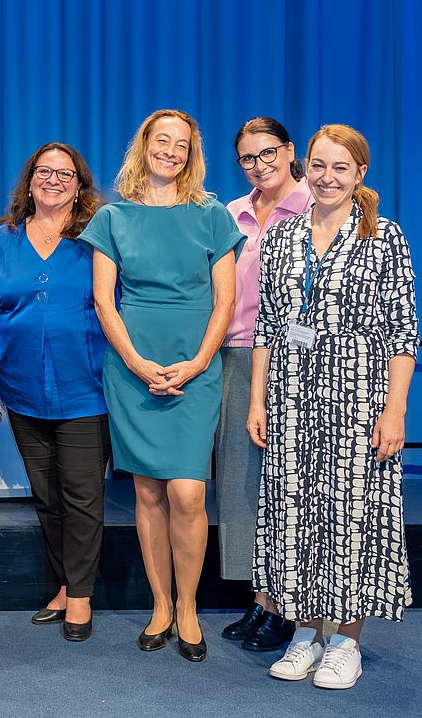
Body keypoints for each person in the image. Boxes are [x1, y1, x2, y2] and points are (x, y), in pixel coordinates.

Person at [249, 125, 416, 689]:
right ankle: (304, 633)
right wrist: (258, 403)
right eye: (318, 166)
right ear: (305, 168)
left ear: (360, 174)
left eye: (340, 168)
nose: (326, 178)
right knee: (293, 516)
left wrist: (395, 412)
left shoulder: (384, 238)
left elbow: (403, 335)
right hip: (292, 400)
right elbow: (269, 329)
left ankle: (346, 641)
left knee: (351, 521)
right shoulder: (282, 237)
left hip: (359, 401)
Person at [79, 109, 244, 662]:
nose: (170, 150)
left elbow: (226, 301)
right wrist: (136, 362)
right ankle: (161, 607)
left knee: (188, 491)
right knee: (147, 490)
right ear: (143, 144)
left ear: (192, 154)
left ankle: (190, 606)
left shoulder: (213, 215)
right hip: (133, 370)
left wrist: (198, 363)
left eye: (182, 143)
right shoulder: (113, 217)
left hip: (196, 368)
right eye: (161, 139)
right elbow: (105, 300)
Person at [0, 143, 111, 642]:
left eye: (65, 173)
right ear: (29, 180)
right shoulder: (4, 239)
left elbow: (116, 303)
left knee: (81, 495)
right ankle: (63, 584)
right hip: (22, 387)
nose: (54, 179)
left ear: (80, 184)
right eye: (44, 171)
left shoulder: (98, 238)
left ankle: (80, 596)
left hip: (86, 387)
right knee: (48, 496)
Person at [217, 118, 312, 652]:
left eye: (268, 153)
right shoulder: (231, 214)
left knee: (291, 485)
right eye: (249, 158)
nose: (260, 165)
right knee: (244, 482)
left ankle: (290, 602)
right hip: (234, 356)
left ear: (290, 150)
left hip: (296, 359)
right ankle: (262, 598)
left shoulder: (316, 206)